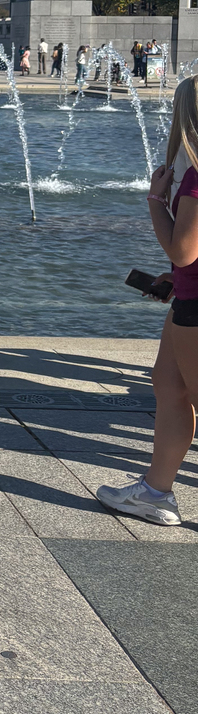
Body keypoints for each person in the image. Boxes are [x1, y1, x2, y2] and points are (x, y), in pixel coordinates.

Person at [97, 78, 198, 525]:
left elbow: (183, 249)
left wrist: (156, 200)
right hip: (189, 294)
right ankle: (155, 493)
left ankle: (156, 494)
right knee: (168, 385)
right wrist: (177, 280)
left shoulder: (197, 174)